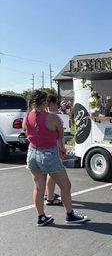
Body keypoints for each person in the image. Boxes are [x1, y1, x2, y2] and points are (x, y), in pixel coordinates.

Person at [23, 90, 88, 226]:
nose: (48, 102)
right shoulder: (52, 118)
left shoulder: (27, 115)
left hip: (32, 153)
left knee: (38, 187)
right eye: (47, 100)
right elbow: (60, 136)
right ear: (43, 102)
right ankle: (70, 215)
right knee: (66, 185)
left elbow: (26, 132)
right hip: (48, 154)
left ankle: (41, 217)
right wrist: (62, 149)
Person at [44, 94, 63, 205]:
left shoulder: (46, 116)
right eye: (56, 103)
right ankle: (50, 198)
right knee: (53, 173)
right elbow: (57, 136)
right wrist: (62, 148)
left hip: (47, 147)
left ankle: (48, 193)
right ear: (50, 104)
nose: (58, 105)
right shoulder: (53, 117)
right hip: (54, 147)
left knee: (49, 173)